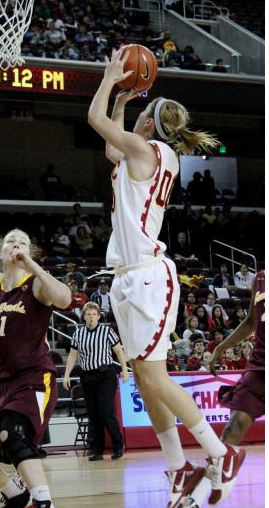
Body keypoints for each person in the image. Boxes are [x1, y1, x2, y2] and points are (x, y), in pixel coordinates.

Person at [87, 47, 245, 508]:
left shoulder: (149, 150)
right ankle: (179, 468)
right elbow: (110, 145)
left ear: (149, 125)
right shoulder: (146, 153)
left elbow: (97, 121)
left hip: (150, 278)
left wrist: (110, 82)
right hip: (129, 277)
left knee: (154, 378)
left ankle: (219, 453)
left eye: (139, 117)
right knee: (141, 376)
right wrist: (125, 102)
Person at [0, 228, 71, 508]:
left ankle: (44, 503)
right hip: (3, 381)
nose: (16, 244)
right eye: (10, 240)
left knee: (10, 431)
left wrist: (31, 265)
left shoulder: (35, 285)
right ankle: (14, 493)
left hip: (32, 378)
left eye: (23, 242)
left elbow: (64, 299)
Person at [63, 302, 129, 461]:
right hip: (87, 376)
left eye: (94, 314)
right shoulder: (78, 334)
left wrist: (125, 369)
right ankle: (96, 450)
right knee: (93, 415)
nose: (91, 317)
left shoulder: (107, 331)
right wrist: (66, 374)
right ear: (84, 316)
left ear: (99, 316)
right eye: (88, 314)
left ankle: (118, 445)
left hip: (105, 375)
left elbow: (119, 350)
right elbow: (73, 355)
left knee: (106, 412)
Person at [209, 270, 264, 446]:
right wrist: (221, 347)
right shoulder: (261, 278)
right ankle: (218, 471)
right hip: (259, 367)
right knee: (234, 426)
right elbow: (251, 321)